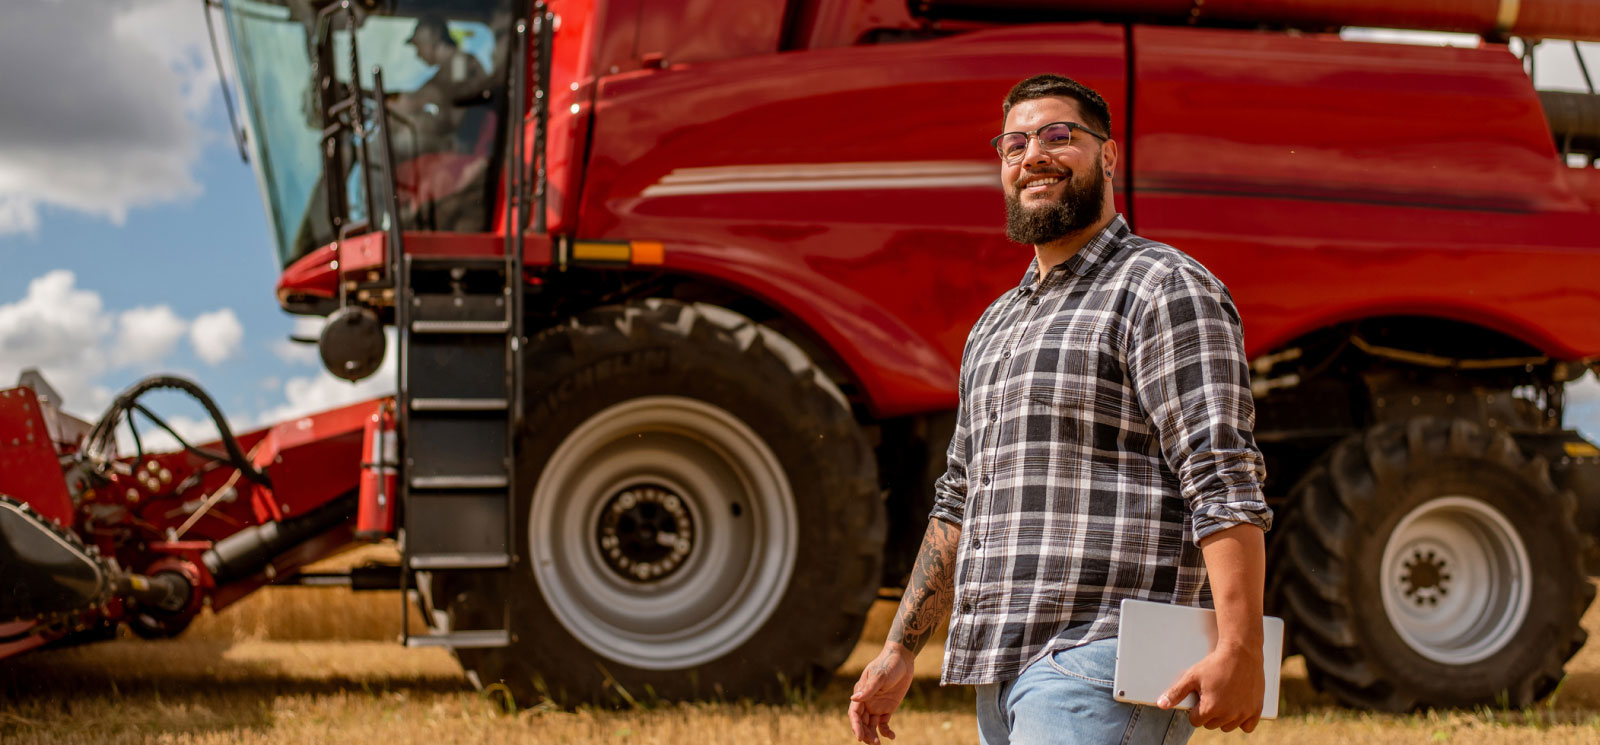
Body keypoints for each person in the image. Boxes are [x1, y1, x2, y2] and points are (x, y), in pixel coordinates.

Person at [848, 74, 1273, 745]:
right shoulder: (996, 322)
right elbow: (961, 497)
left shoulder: (1163, 287)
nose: (1033, 155)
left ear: (1107, 156)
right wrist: (901, 648)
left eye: (1058, 136)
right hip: (1002, 667)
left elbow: (1221, 475)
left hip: (1104, 653)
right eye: (1014, 144)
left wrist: (1241, 647)